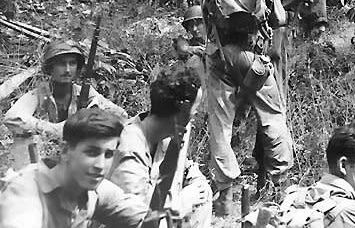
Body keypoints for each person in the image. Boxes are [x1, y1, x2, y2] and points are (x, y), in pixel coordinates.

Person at [201, 0, 291, 215]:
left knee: (221, 125)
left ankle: (225, 196)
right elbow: (279, 18)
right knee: (273, 119)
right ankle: (281, 188)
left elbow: (206, 21)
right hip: (254, 56)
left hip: (219, 58)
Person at [0, 108, 147, 228]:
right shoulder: (25, 196)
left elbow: (144, 217)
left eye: (108, 154)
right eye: (91, 152)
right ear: (65, 151)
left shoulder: (92, 188)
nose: (100, 165)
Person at [108, 66, 212, 228]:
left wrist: (197, 185)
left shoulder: (164, 137)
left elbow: (187, 170)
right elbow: (134, 221)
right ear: (183, 110)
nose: (195, 114)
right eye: (194, 109)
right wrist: (182, 202)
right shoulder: (130, 150)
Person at [4, 40, 127, 169]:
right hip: (44, 157)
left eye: (72, 63)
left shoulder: (85, 93)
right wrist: (53, 129)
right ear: (50, 67)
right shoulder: (39, 93)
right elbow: (12, 117)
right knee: (26, 140)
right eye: (62, 64)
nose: (68, 70)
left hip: (79, 157)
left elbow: (121, 115)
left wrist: (93, 112)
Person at [173, 5, 208, 84]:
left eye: (198, 24)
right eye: (191, 25)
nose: (194, 29)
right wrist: (193, 50)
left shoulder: (217, 41)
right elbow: (180, 45)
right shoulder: (189, 43)